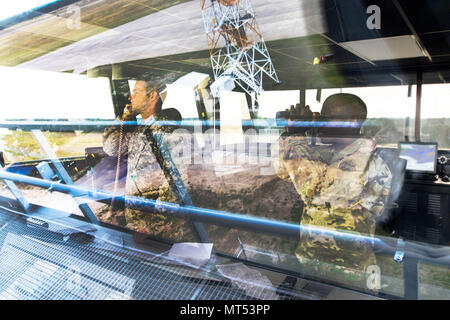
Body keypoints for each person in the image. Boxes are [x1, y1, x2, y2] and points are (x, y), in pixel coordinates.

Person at [274, 93, 392, 290]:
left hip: (348, 272)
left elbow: (316, 193)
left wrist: (296, 134)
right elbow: (282, 171)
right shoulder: (327, 154)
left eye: (328, 117)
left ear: (353, 122)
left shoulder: (363, 162)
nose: (320, 122)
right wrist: (291, 135)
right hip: (313, 262)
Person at [102, 80, 190, 241]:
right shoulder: (139, 130)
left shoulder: (172, 132)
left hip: (160, 232)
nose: (130, 97)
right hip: (136, 224)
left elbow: (176, 184)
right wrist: (124, 118)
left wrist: (152, 227)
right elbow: (111, 148)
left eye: (136, 92)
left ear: (152, 96)